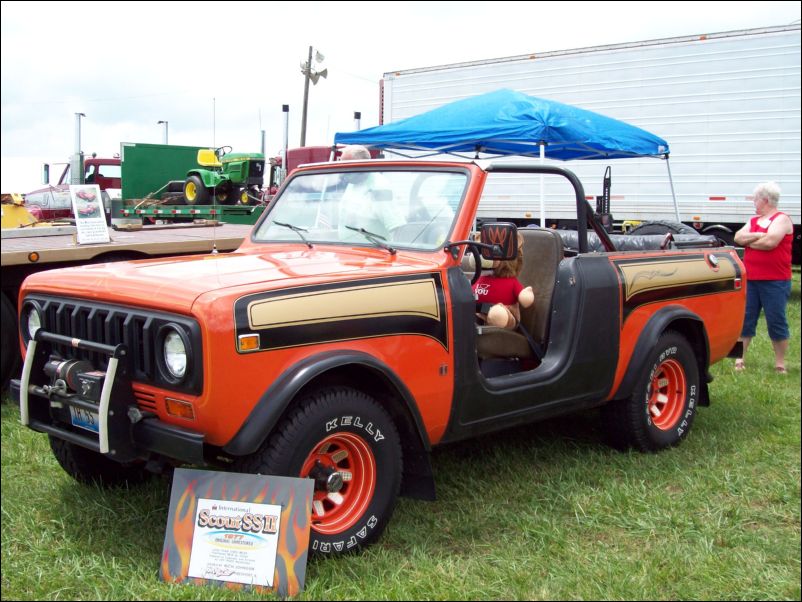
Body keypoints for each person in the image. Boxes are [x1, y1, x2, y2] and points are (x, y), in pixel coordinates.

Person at [733, 181, 793, 374]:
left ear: (764, 199)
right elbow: (737, 238)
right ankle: (740, 359)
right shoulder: (753, 221)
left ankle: (780, 363)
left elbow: (770, 242)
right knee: (746, 319)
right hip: (751, 279)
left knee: (776, 320)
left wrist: (751, 240)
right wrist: (758, 234)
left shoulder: (782, 219)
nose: (754, 202)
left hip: (776, 281)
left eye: (755, 198)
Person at [337, 145, 405, 241]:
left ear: (362, 166)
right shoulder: (353, 182)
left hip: (371, 253)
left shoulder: (379, 187)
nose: (342, 171)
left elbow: (396, 227)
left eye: (346, 166)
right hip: (347, 251)